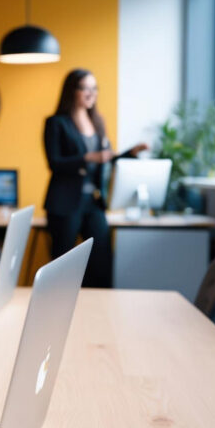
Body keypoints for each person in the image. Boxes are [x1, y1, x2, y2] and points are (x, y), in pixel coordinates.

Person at [43, 69, 148, 287]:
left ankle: (99, 304)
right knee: (62, 261)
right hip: (65, 202)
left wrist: (130, 153)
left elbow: (105, 159)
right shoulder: (56, 123)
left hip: (93, 202)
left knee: (101, 259)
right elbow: (55, 162)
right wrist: (88, 157)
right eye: (84, 88)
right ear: (72, 91)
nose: (90, 93)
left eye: (94, 88)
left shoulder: (98, 122)